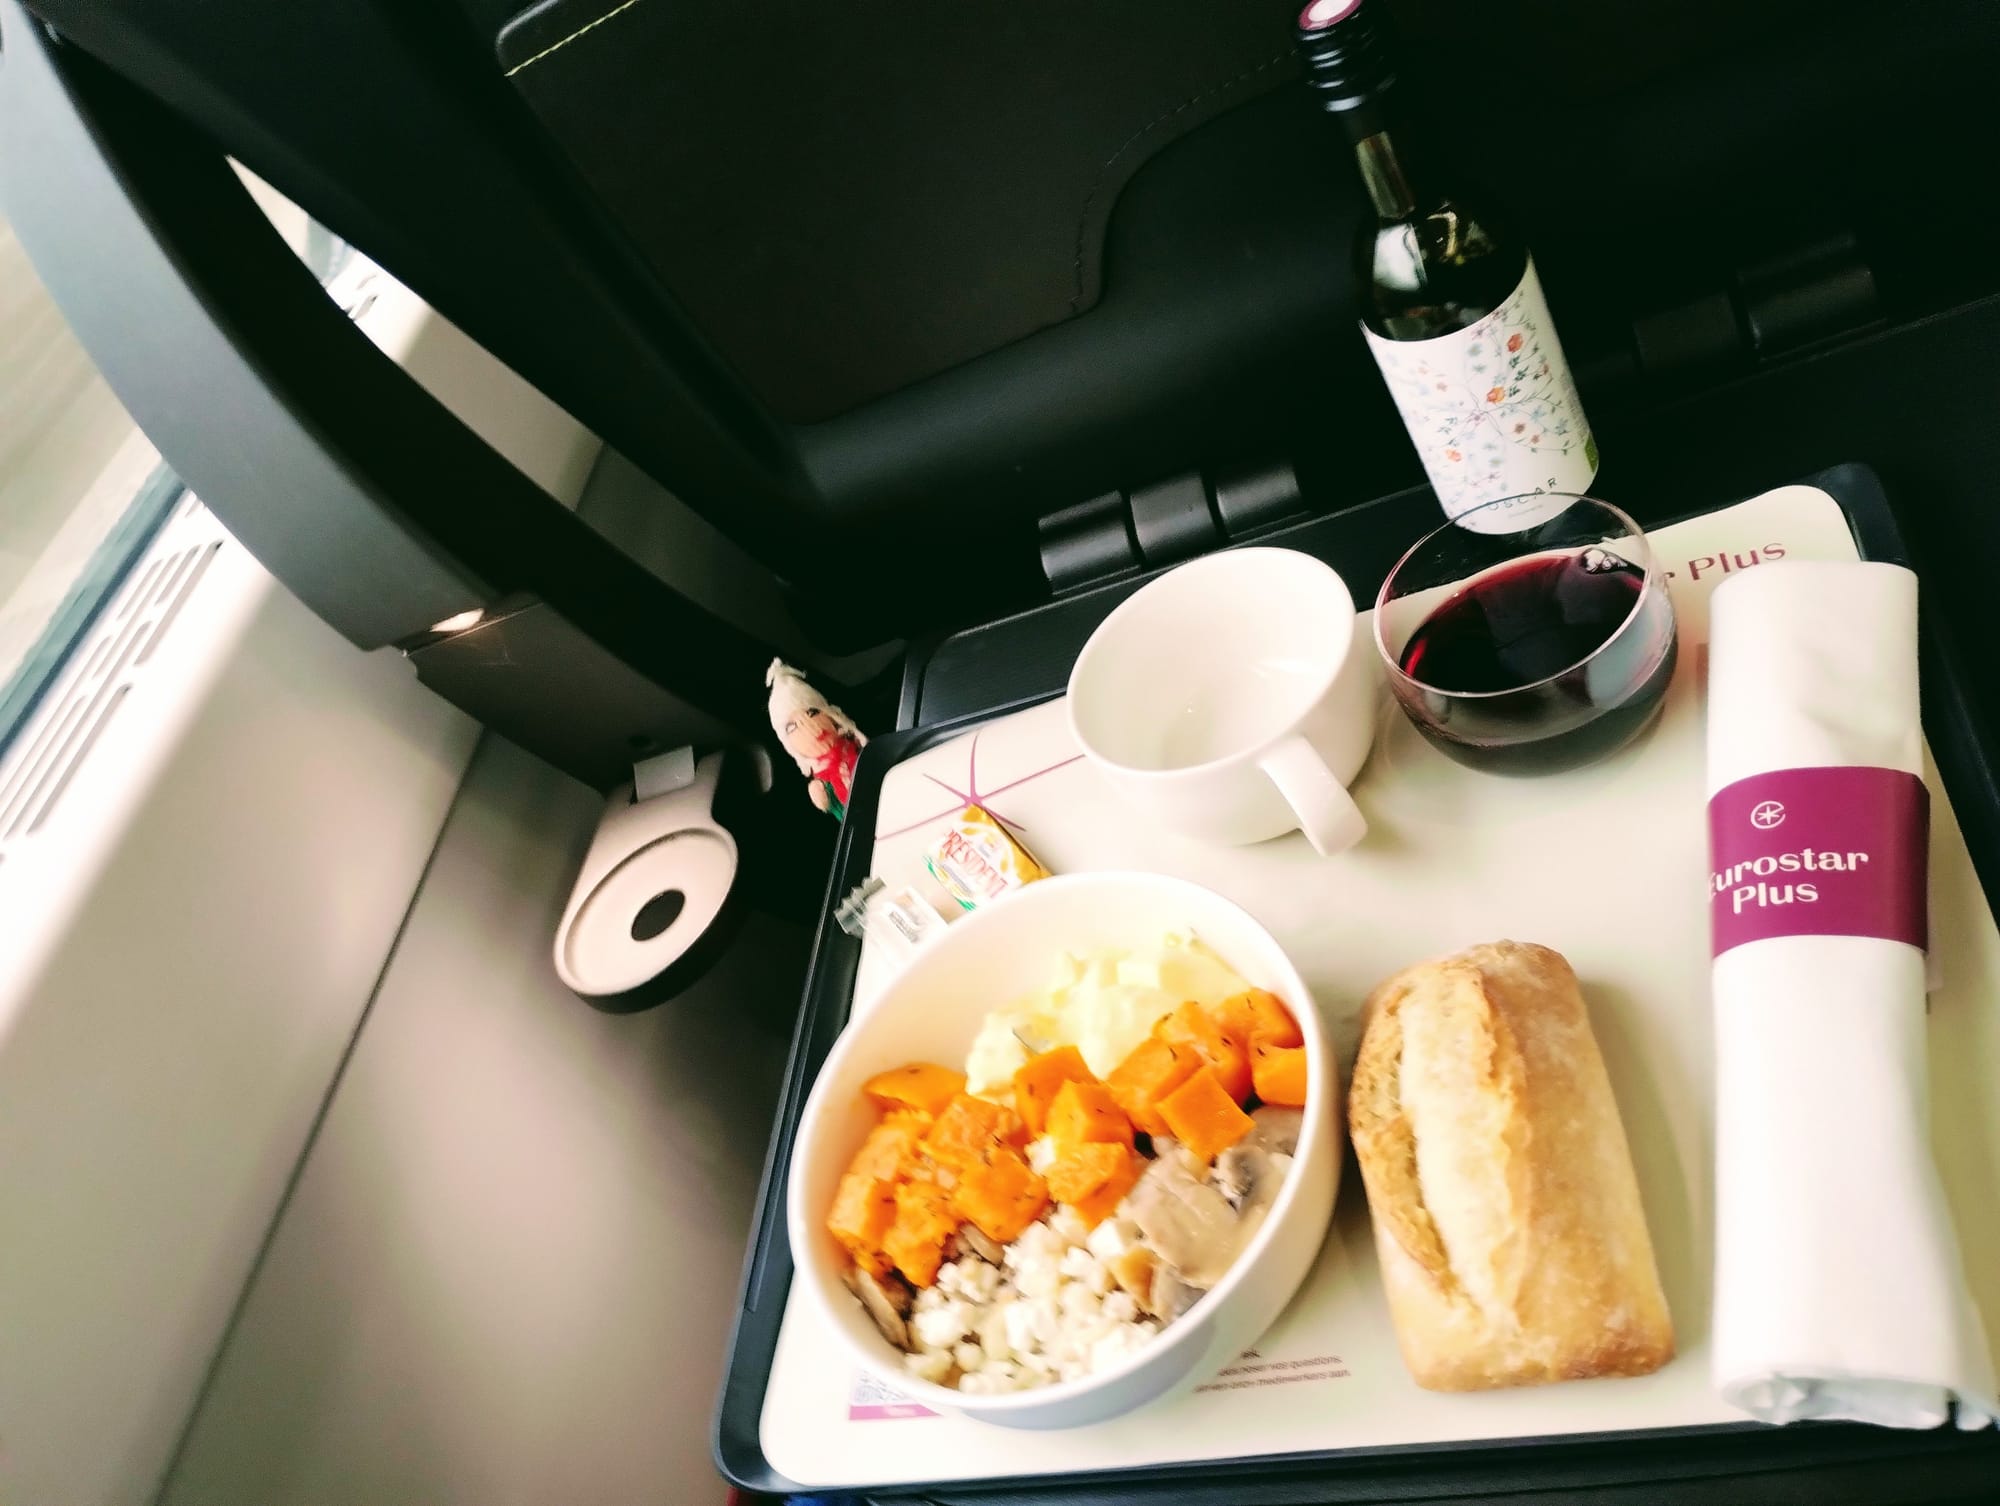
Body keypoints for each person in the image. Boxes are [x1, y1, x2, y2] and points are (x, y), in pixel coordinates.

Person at [766, 659, 866, 820]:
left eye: (812, 713)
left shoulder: (854, 742)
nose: (811, 727)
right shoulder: (824, 781)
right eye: (793, 727)